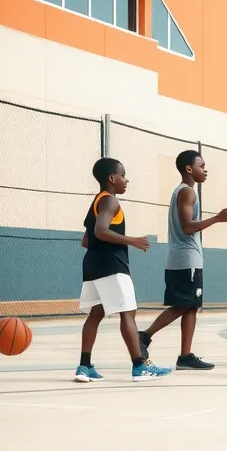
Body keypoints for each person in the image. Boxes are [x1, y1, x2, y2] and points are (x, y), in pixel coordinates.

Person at [75, 157, 172, 383]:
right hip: (112, 265)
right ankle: (140, 366)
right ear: (112, 178)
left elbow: (86, 241)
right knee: (128, 313)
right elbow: (100, 232)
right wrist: (132, 241)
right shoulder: (110, 202)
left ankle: (84, 366)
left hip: (92, 265)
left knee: (96, 314)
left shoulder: (97, 201)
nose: (126, 180)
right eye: (123, 175)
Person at [138, 150, 227, 370]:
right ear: (189, 169)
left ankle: (185, 356)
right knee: (183, 305)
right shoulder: (187, 192)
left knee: (191, 306)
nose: (205, 169)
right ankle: (144, 336)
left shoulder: (184, 191)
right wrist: (217, 219)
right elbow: (187, 227)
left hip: (186, 259)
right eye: (201, 165)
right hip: (185, 261)